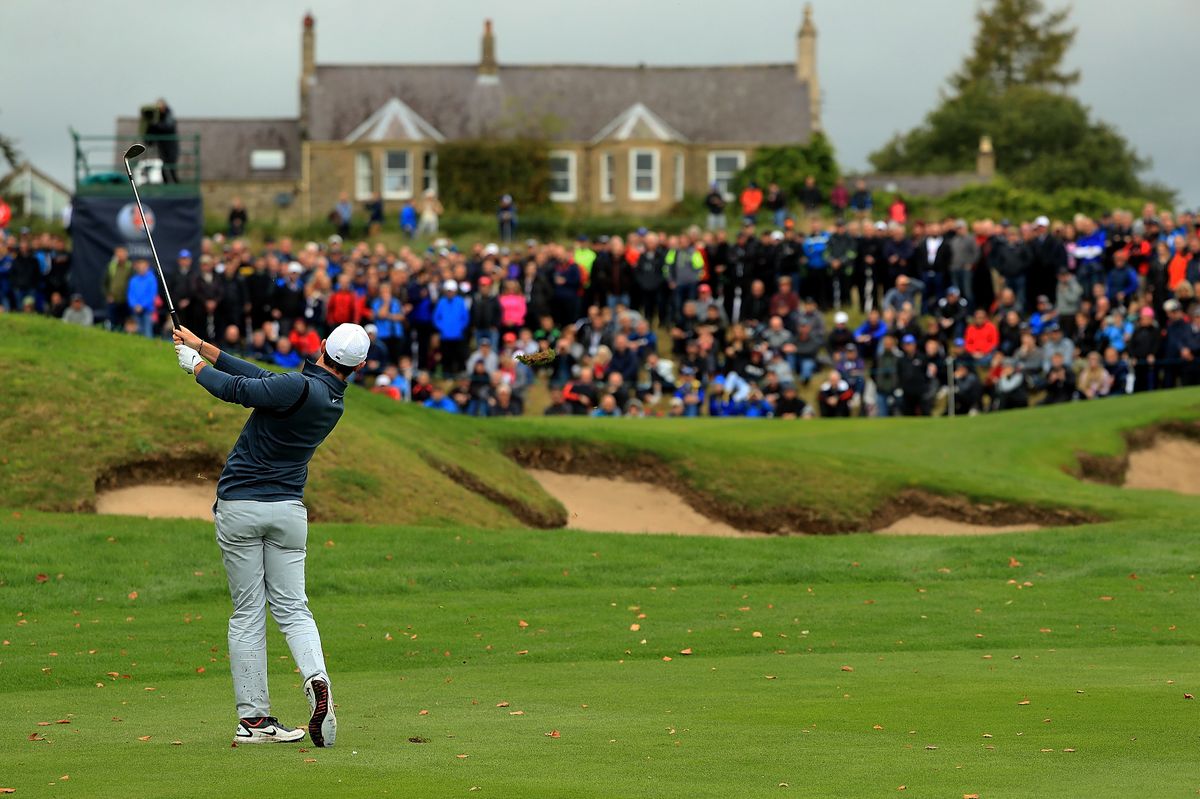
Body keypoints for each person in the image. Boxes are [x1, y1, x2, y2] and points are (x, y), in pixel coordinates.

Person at [170, 321, 370, 748]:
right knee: (294, 609)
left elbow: (239, 390)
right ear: (360, 366)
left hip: (242, 505)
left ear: (321, 346)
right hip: (288, 513)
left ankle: (255, 720)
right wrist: (203, 346)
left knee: (248, 612)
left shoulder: (298, 388)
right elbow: (262, 379)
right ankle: (317, 678)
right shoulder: (328, 399)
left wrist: (195, 368)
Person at [147, 98, 179, 183]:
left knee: (171, 165)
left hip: (170, 145)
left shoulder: (168, 115)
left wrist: (156, 125)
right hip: (162, 145)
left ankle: (175, 183)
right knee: (163, 166)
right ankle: (166, 183)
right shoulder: (158, 117)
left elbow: (168, 127)